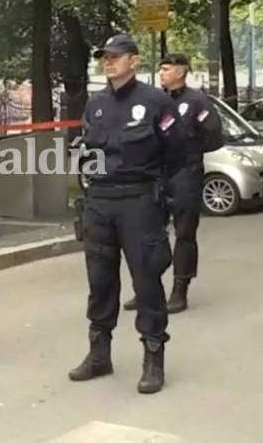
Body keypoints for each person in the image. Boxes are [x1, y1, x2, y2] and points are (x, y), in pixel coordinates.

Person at [69, 34, 187, 394]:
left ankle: (153, 357)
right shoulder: (96, 103)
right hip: (100, 202)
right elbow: (88, 151)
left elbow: (178, 152)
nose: (109, 61)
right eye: (105, 57)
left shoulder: (154, 101)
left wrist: (157, 190)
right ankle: (99, 354)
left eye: (116, 56)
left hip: (139, 201)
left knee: (147, 281)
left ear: (134, 61)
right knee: (100, 281)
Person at [122, 53, 223, 313]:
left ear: (181, 71)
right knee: (148, 232)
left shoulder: (197, 101)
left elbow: (213, 136)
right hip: (158, 172)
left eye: (167, 69)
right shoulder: (155, 101)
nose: (162, 73)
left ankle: (180, 291)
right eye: (161, 69)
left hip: (186, 174)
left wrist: (190, 152)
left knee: (184, 233)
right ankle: (145, 289)